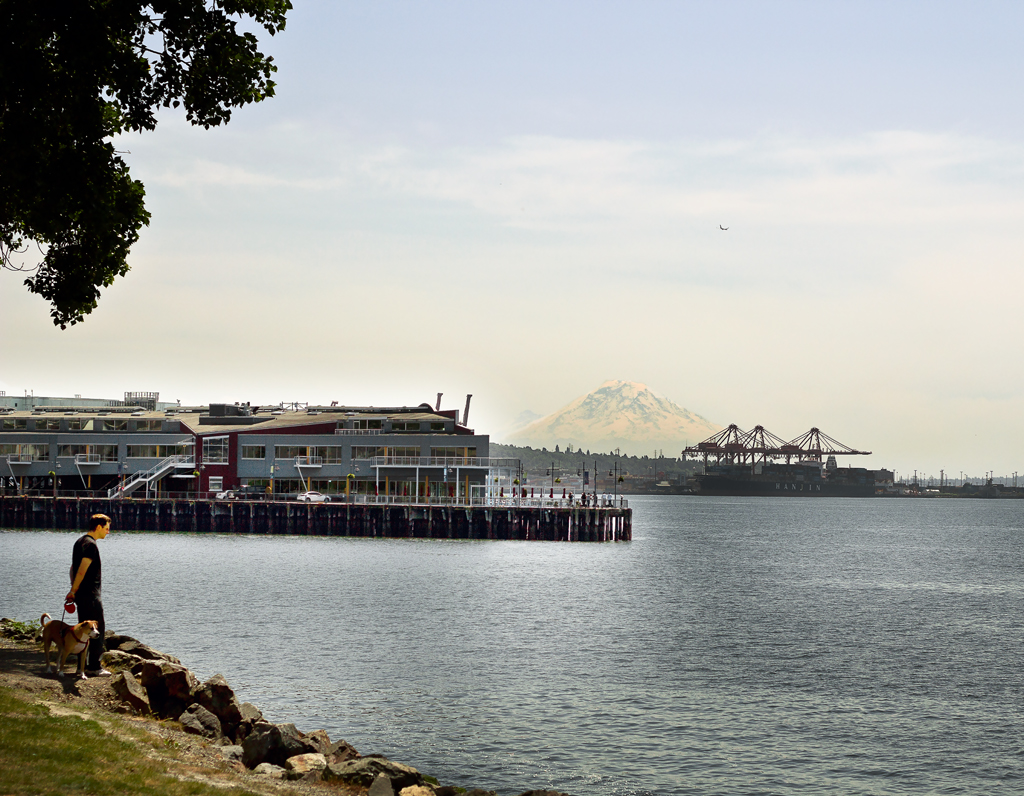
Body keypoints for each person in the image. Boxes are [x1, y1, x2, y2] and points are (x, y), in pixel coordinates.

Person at [66, 514, 112, 676]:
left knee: (84, 630)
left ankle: (82, 666)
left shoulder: (79, 542)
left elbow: (72, 569)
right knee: (97, 629)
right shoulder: (91, 545)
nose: (108, 532)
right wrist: (73, 590)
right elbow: (81, 570)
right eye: (107, 528)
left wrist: (74, 590)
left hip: (81, 595)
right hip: (91, 595)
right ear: (98, 526)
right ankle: (94, 666)